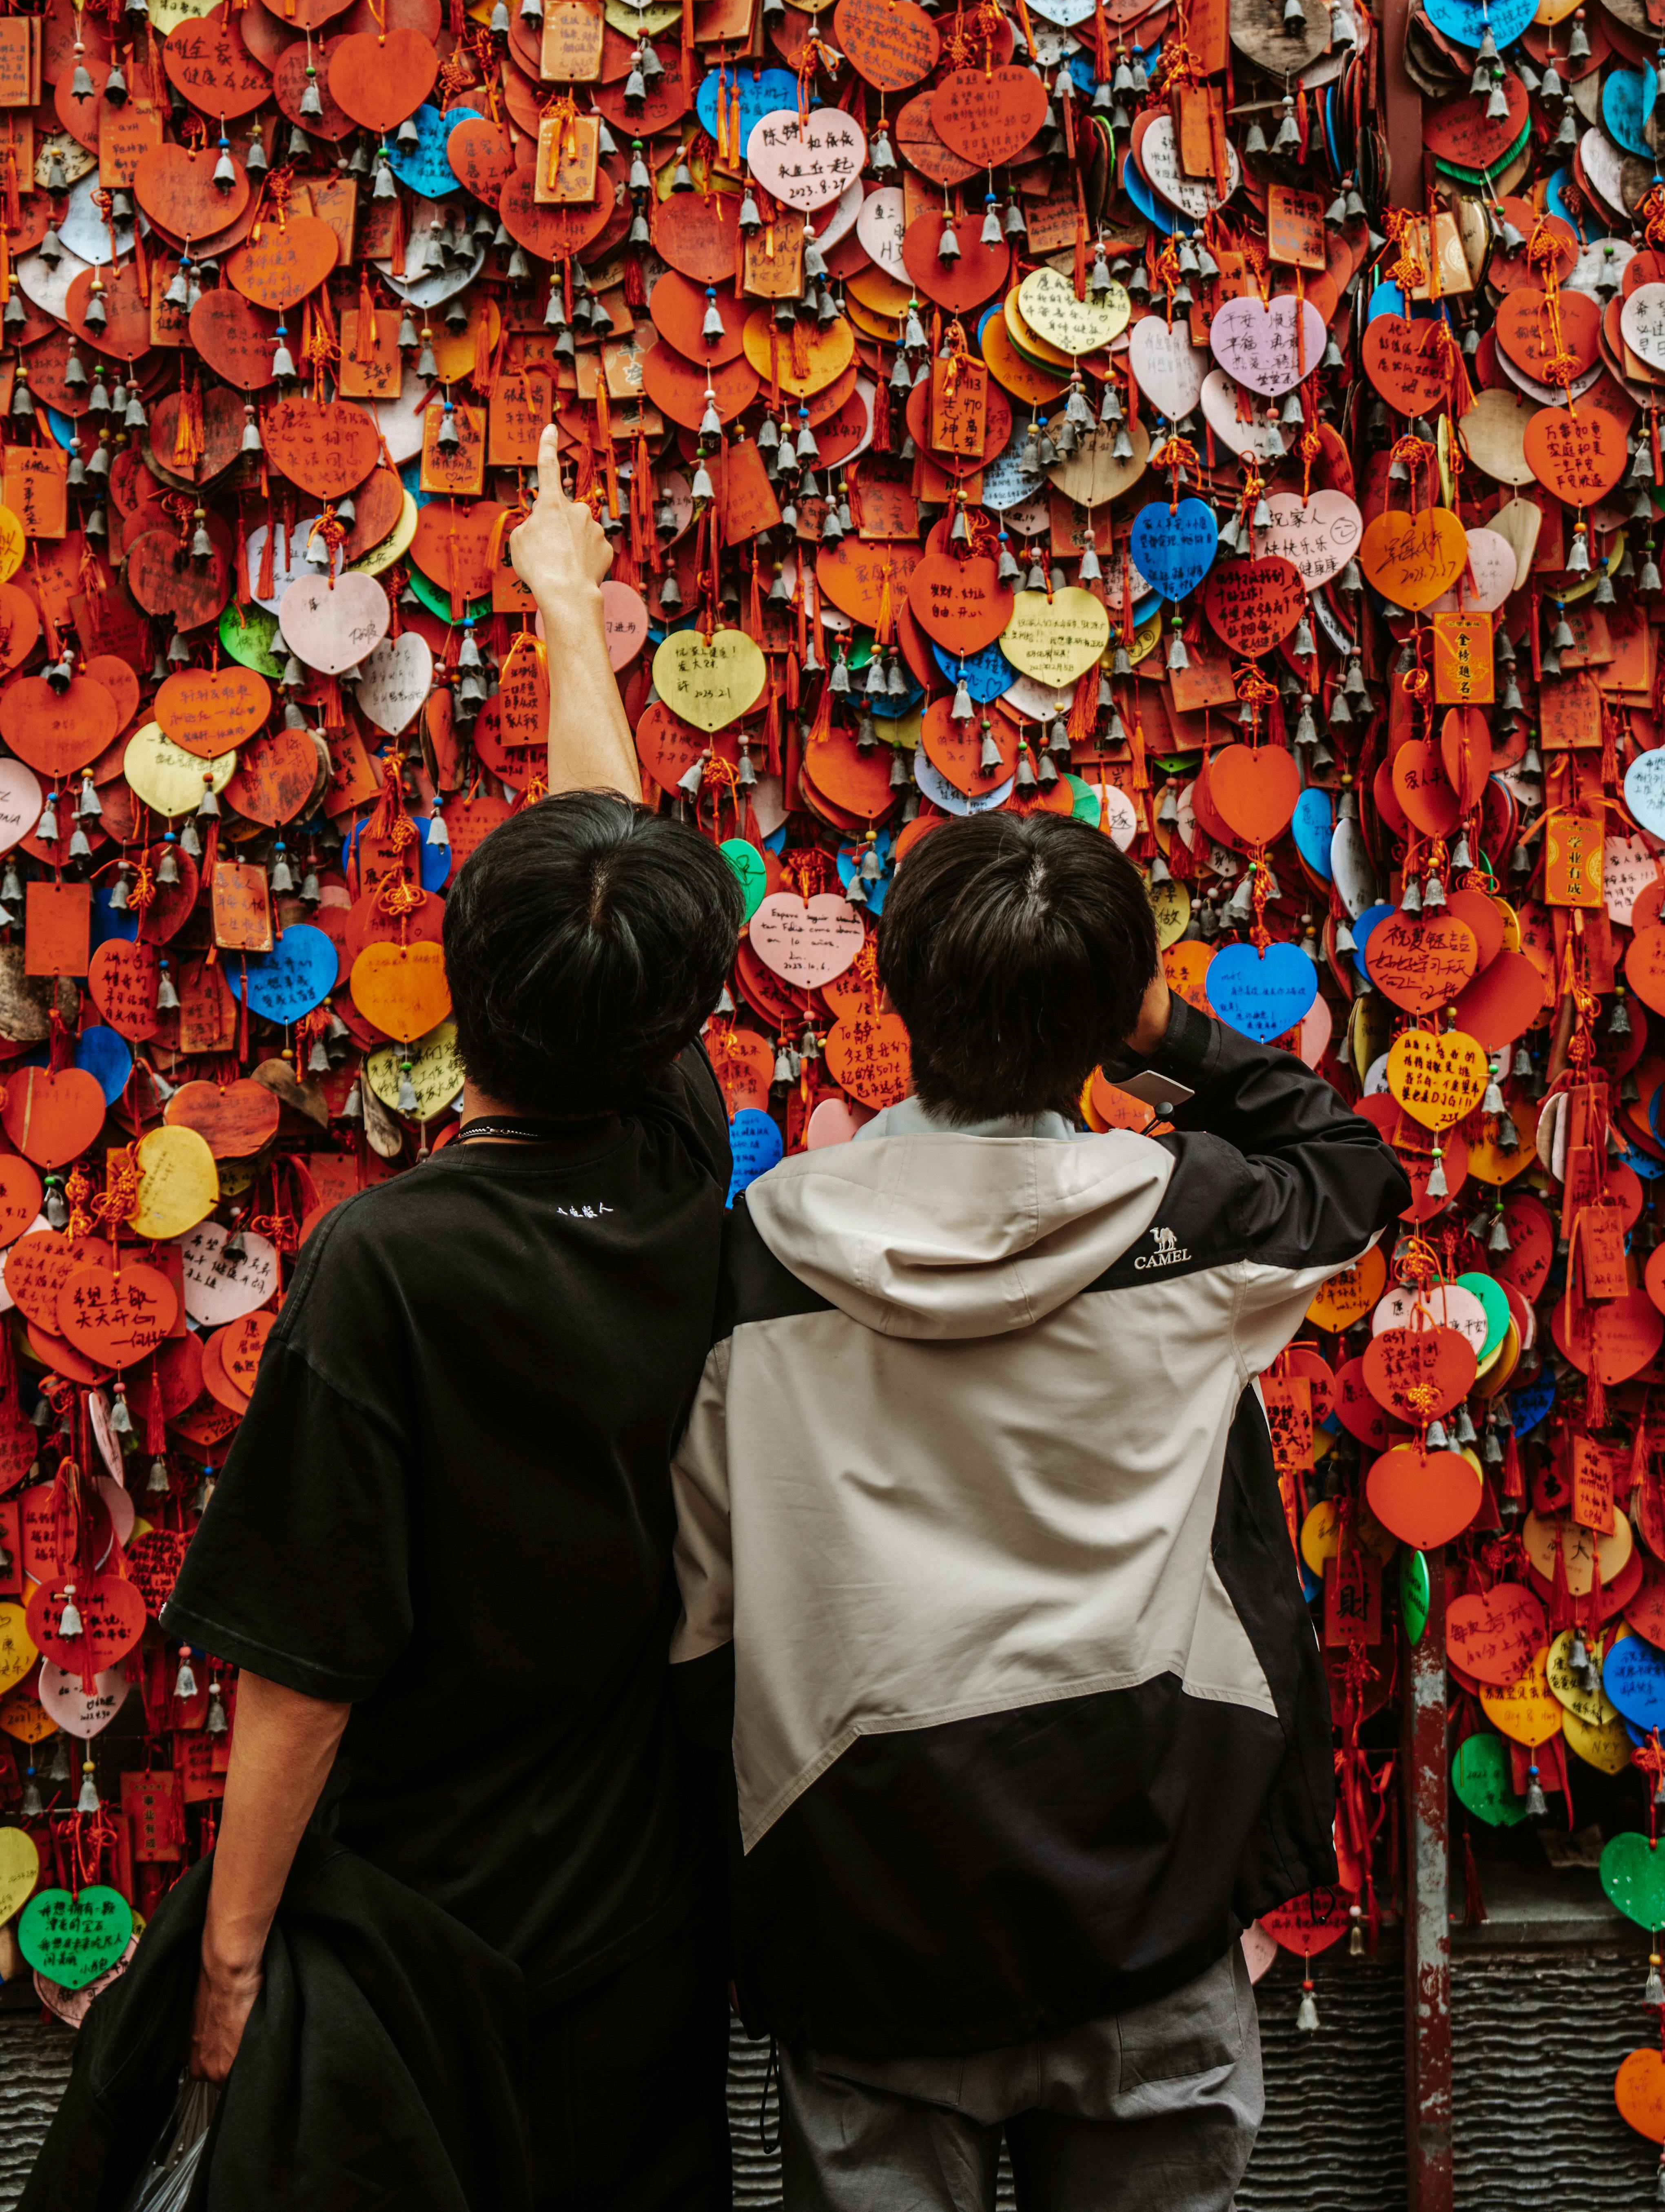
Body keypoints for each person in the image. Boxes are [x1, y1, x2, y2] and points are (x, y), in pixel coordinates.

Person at [669, 813, 1409, 2212]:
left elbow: (701, 1608)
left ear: (889, 990)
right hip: (1150, 1885)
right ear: (1103, 1010)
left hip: (866, 1911)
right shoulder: (1197, 1219)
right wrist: (1169, 1033)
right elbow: (1355, 1169)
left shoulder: (758, 1253)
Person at [161, 443, 744, 2212]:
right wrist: (568, 602)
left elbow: (308, 1655)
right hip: (645, 1907)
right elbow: (617, 888)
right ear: (665, 1019)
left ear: (459, 1003)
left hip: (425, 1914)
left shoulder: (385, 1260)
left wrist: (235, 1947)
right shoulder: (671, 1165)